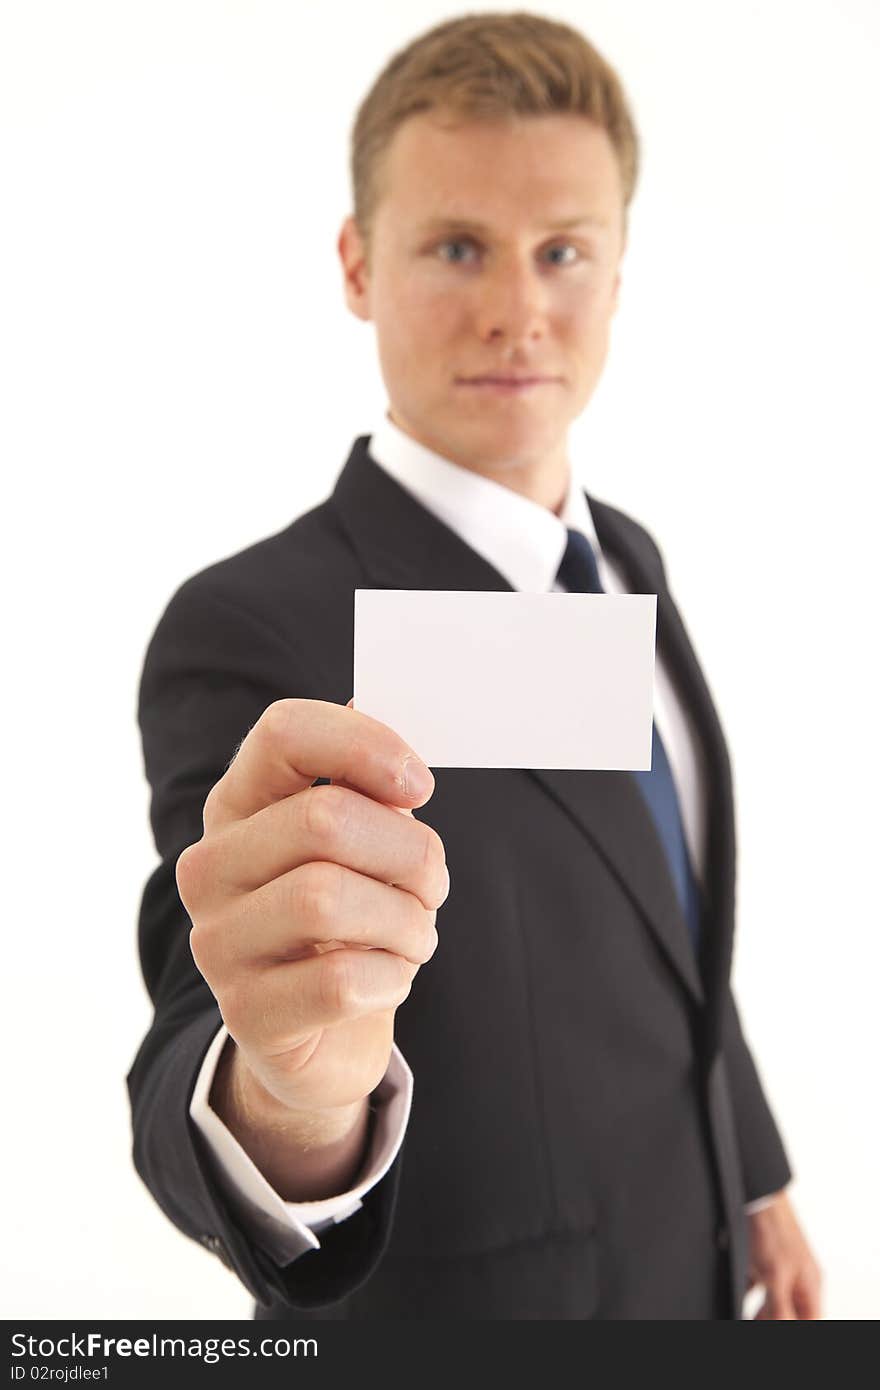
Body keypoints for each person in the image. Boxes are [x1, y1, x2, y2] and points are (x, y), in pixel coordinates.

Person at [127, 11, 821, 1320]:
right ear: (356, 264)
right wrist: (287, 1092)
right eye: (456, 246)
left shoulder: (631, 559)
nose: (519, 309)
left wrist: (758, 1179)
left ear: (616, 278)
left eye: (563, 252)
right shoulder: (253, 627)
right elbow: (196, 1025)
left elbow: (666, 921)